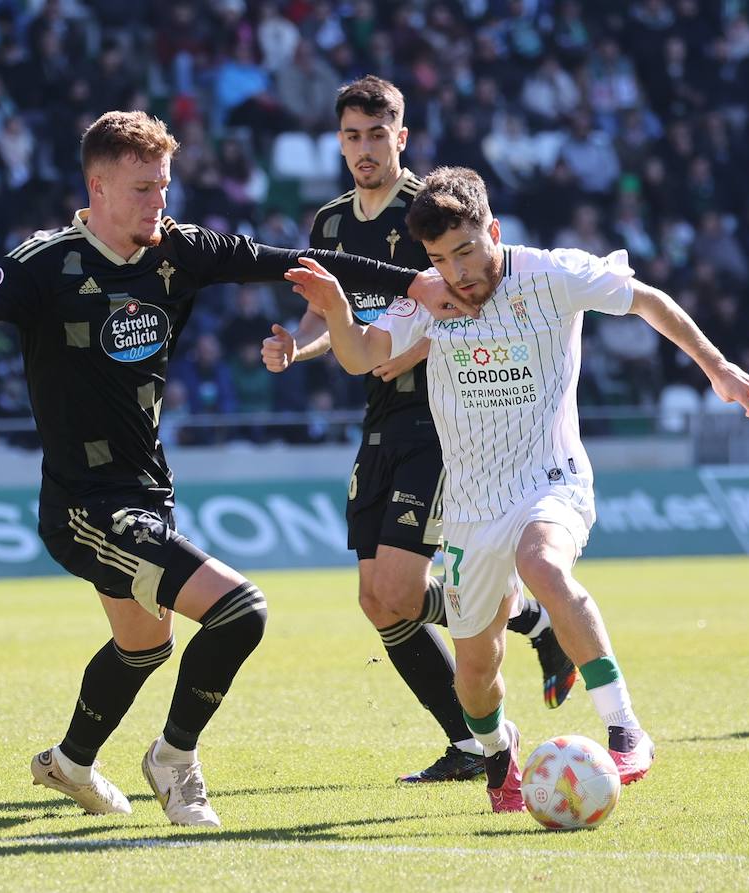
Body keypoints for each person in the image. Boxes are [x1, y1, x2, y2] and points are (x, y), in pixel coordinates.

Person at [0, 110, 447, 827]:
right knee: (240, 610)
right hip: (85, 504)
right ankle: (175, 759)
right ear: (97, 188)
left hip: (149, 492)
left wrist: (416, 281)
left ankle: (69, 762)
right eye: (142, 190)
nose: (157, 203)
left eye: (163, 186)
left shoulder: (181, 251)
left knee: (145, 643)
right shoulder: (42, 263)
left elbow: (292, 261)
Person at [286, 165, 749, 812]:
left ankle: (625, 728)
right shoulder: (431, 294)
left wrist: (717, 366)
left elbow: (648, 299)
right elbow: (363, 356)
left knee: (540, 561)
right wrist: (338, 313)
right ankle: (497, 753)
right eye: (438, 258)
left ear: (493, 230)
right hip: (468, 506)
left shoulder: (552, 273)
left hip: (551, 479)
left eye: (465, 250)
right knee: (476, 672)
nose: (456, 271)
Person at [261, 77, 575, 784]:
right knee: (377, 599)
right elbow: (327, 314)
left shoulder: (430, 213)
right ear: (338, 142)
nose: (364, 148)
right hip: (380, 415)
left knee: (401, 587)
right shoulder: (331, 224)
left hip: (443, 415)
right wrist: (297, 347)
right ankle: (477, 726)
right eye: (352, 136)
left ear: (401, 137)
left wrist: (403, 347)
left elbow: (469, 300)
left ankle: (514, 649)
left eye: (378, 134)